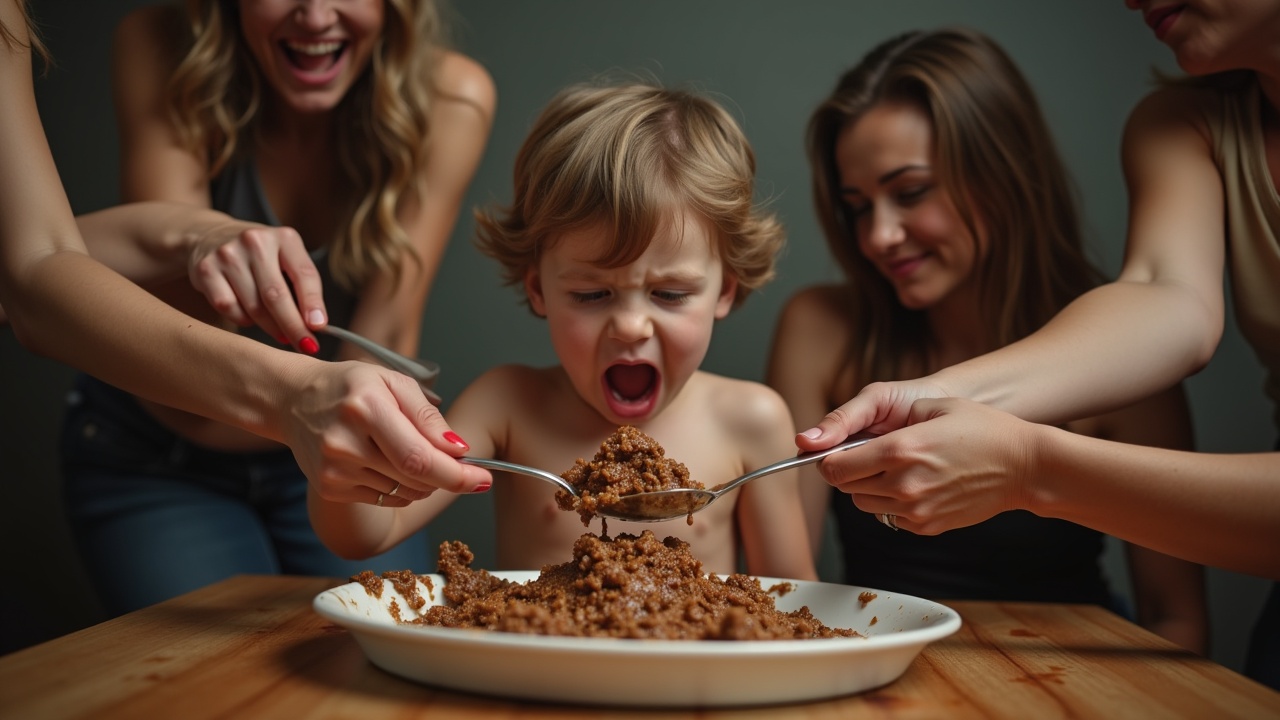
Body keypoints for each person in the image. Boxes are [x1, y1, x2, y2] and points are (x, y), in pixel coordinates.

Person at [792, 1, 1280, 687]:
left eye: (912, 191)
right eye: (857, 206)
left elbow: (1174, 616)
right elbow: (1165, 305)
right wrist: (932, 399)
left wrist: (1024, 464)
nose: (877, 237)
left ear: (998, 170)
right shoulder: (1186, 123)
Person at [56, 0, 496, 615]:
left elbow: (384, 335)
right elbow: (179, 377)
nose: (315, 17)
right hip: (159, 453)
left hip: (329, 457)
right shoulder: (160, 47)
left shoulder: (454, 97)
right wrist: (313, 411)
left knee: (388, 656)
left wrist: (352, 439)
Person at [309, 80, 816, 580]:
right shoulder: (505, 406)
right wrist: (343, 449)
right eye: (592, 295)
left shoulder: (752, 421)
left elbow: (794, 599)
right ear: (538, 290)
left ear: (724, 291)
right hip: (537, 662)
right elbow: (364, 535)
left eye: (670, 294)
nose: (631, 326)